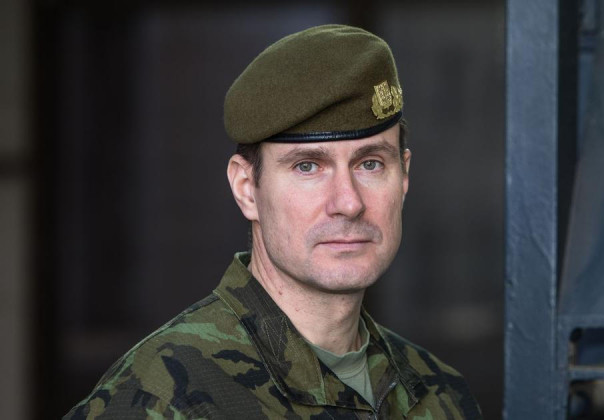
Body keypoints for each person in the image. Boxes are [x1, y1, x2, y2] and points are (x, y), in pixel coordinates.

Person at [65, 24, 482, 419]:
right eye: (307, 166)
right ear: (247, 188)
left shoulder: (441, 394)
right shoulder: (164, 397)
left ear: (404, 176)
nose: (348, 202)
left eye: (370, 163)